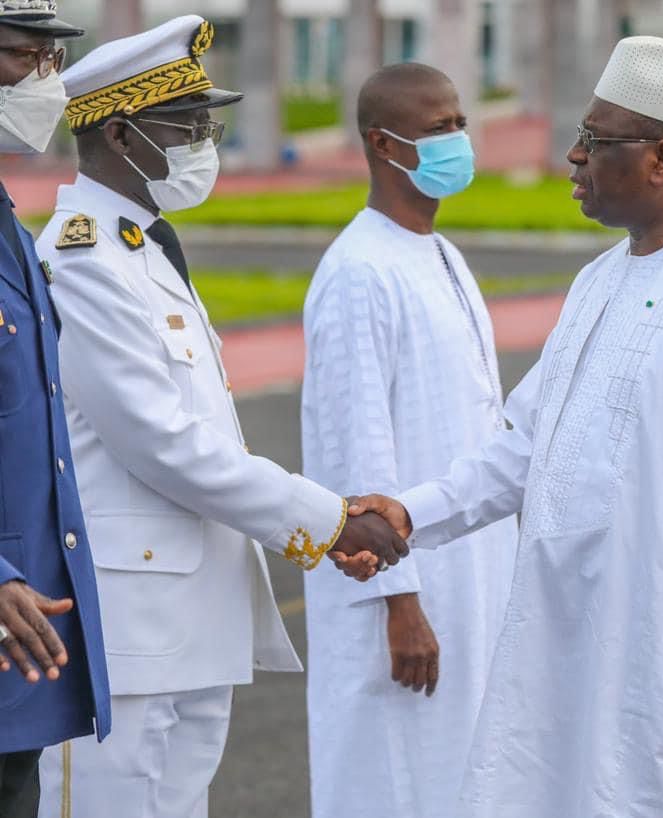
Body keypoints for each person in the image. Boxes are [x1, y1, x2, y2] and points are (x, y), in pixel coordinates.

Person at [340, 35, 663, 817]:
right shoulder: (600, 280)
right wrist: (414, 513)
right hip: (573, 643)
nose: (573, 156)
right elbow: (526, 448)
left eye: (597, 142)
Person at [33, 16, 401, 818]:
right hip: (122, 636)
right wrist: (327, 520)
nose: (207, 143)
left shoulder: (144, 249)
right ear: (125, 137)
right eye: (190, 127)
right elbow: (163, 443)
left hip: (194, 626)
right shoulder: (83, 260)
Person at [301, 62, 517, 818]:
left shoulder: (439, 254)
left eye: (459, 122)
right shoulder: (358, 270)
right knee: (391, 784)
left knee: (460, 781)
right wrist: (400, 602)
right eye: (436, 129)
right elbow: (356, 449)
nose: (457, 140)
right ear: (381, 144)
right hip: (398, 599)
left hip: (471, 583)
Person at [0, 3, 109, 816]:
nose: (47, 81)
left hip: (25, 633)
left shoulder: (7, 219)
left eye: (51, 59)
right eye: (25, 58)